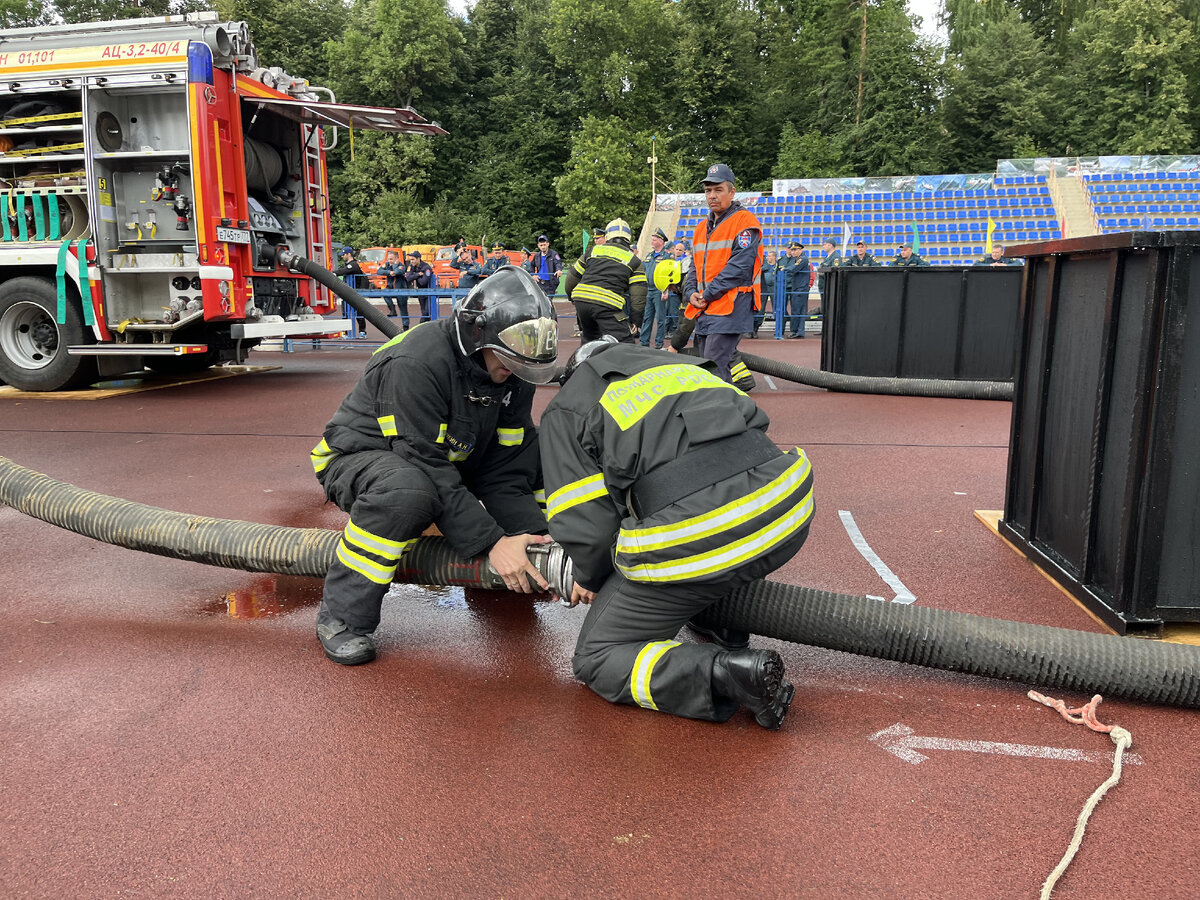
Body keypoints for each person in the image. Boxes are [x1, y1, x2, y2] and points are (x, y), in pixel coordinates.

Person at [540, 339, 815, 729]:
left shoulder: (571, 405)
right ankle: (725, 621)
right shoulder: (684, 368)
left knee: (597, 656)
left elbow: (589, 527)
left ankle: (725, 673)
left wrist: (588, 578)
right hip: (789, 511)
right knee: (703, 542)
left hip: (707, 536)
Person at [309, 266, 559, 666]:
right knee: (408, 494)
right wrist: (492, 544)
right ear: (478, 337)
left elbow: (507, 464)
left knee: (544, 448)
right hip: (365, 458)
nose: (516, 372)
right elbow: (423, 461)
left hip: (449, 459)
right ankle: (343, 618)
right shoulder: (416, 361)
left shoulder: (513, 370)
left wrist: (531, 537)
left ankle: (520, 562)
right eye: (509, 361)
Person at [681, 163, 763, 381]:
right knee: (708, 366)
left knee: (714, 366)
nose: (712, 195)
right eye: (708, 190)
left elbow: (739, 267)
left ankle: (726, 413)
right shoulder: (701, 228)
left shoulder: (744, 221)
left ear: (732, 191)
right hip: (706, 308)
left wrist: (705, 295)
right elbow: (694, 268)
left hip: (730, 306)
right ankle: (727, 412)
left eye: (718, 190)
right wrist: (690, 293)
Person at [564, 218, 646, 344]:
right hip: (608, 305)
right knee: (625, 344)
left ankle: (583, 362)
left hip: (582, 302)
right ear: (628, 238)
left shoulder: (592, 251)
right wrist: (636, 320)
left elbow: (571, 277)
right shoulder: (634, 261)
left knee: (589, 342)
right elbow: (638, 294)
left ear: (607, 236)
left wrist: (572, 298)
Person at [639, 227, 672, 350]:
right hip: (649, 290)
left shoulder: (667, 256)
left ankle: (659, 343)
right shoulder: (649, 255)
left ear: (661, 241)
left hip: (659, 290)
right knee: (647, 317)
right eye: (652, 240)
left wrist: (666, 290)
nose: (652, 242)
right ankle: (644, 341)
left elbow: (670, 275)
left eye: (654, 240)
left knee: (660, 318)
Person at [334, 245, 367, 338]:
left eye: (343, 254)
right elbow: (343, 270)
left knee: (359, 312)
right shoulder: (347, 265)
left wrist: (333, 273)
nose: (342, 256)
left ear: (349, 254)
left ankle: (362, 332)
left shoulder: (354, 265)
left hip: (355, 292)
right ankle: (346, 332)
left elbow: (344, 270)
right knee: (346, 313)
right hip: (347, 292)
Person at [782, 241, 811, 339]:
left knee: (796, 310)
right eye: (792, 250)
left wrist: (784, 269)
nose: (792, 252)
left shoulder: (802, 259)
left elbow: (793, 268)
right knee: (800, 311)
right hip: (800, 288)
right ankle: (800, 331)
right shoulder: (800, 259)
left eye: (795, 250)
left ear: (800, 249)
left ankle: (795, 331)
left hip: (799, 288)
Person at [663, 240, 690, 339]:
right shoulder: (670, 260)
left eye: (680, 250)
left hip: (677, 291)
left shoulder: (685, 262)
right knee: (668, 312)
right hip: (671, 290)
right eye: (676, 249)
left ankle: (674, 331)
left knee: (674, 312)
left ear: (683, 251)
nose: (678, 251)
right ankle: (667, 330)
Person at [752, 249, 778, 338]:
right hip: (751, 288)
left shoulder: (761, 258)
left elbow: (766, 267)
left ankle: (755, 329)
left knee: (760, 308)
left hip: (762, 288)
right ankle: (750, 329)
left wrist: (756, 270)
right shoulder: (747, 256)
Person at [403, 250, 435, 322]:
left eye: (413, 259)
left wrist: (414, 276)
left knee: (426, 313)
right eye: (410, 260)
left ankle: (421, 325)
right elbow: (408, 278)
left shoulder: (426, 267)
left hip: (429, 292)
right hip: (420, 292)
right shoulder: (411, 266)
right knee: (424, 312)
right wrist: (418, 274)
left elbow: (423, 282)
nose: (411, 261)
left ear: (418, 259)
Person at [815, 237, 841, 318]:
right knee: (824, 306)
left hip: (829, 285)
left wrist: (821, 274)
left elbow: (834, 270)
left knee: (829, 306)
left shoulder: (836, 257)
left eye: (825, 244)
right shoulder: (827, 257)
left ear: (830, 245)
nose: (824, 246)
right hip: (823, 285)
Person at [377, 249, 404, 320]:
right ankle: (392, 310)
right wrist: (389, 272)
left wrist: (395, 265)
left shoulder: (401, 265)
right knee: (385, 293)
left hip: (400, 289)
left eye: (391, 259)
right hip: (390, 287)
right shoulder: (386, 264)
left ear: (396, 259)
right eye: (388, 259)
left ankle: (405, 326)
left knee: (403, 310)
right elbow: (379, 271)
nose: (389, 261)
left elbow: (397, 271)